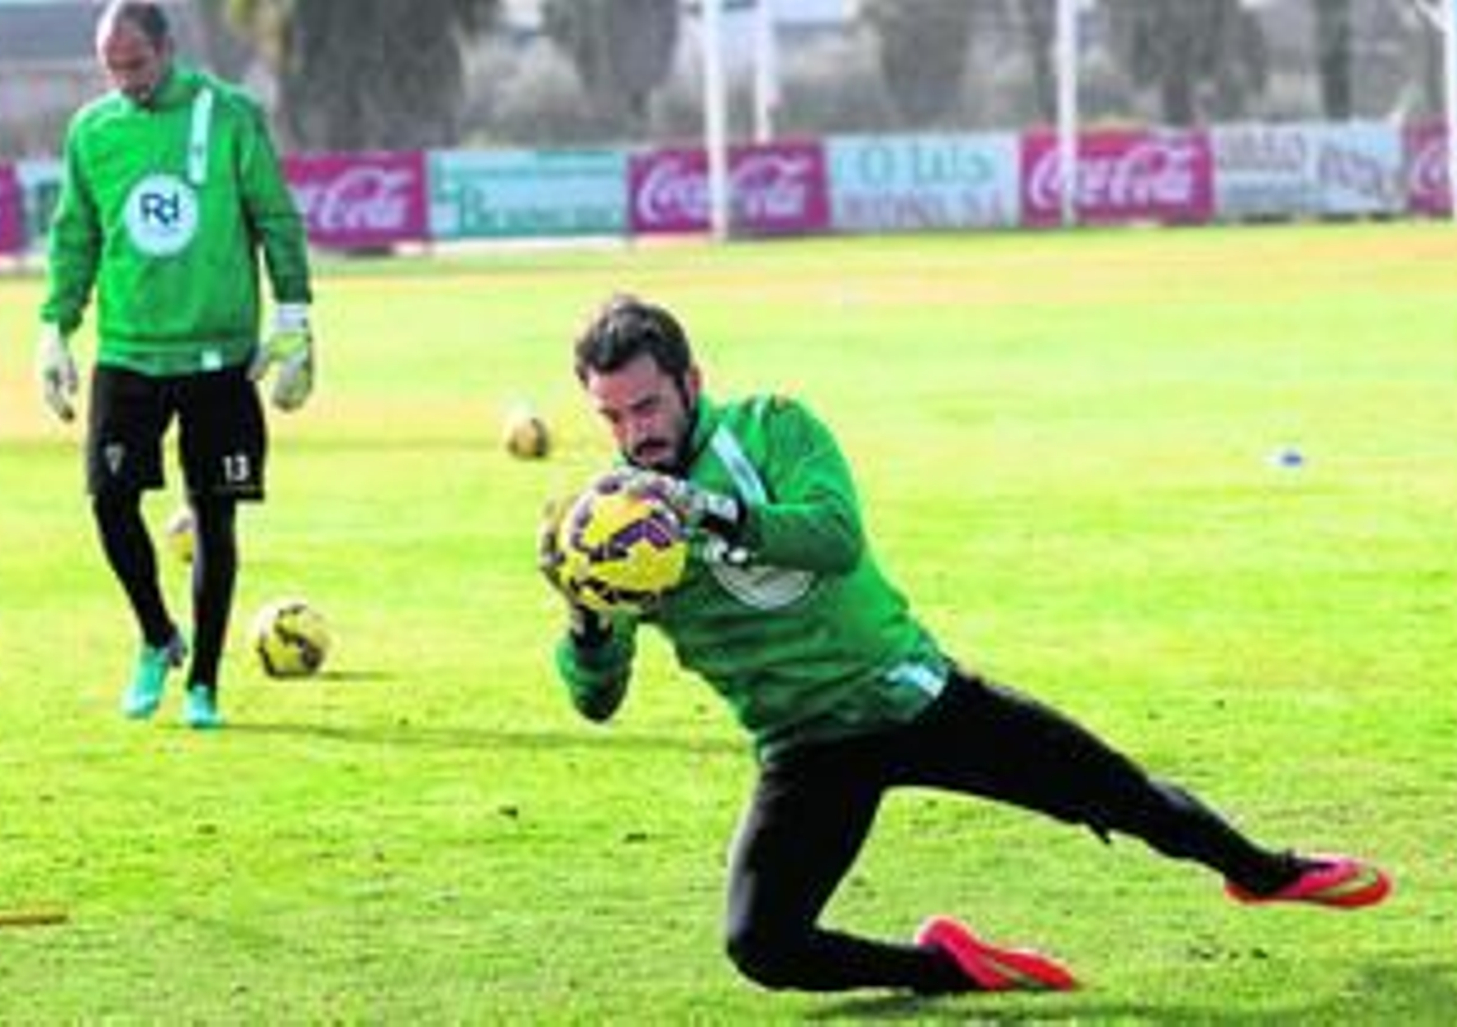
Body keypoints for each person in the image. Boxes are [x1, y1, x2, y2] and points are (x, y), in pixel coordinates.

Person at [541, 294, 1391, 996]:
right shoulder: (617, 530)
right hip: (804, 749)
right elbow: (598, 697)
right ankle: (949, 967)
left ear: (692, 381)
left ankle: (1266, 871)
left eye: (648, 404)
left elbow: (834, 538)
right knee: (762, 946)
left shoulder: (773, 428)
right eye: (612, 416)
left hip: (914, 699)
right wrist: (585, 618)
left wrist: (710, 510)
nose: (634, 433)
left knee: (1123, 797)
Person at [36, 1, 315, 730]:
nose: (124, 80)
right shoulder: (91, 132)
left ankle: (206, 684)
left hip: (222, 360)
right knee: (109, 501)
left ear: (167, 49)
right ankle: (159, 636)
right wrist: (54, 328)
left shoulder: (231, 116)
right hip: (128, 352)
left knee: (216, 520)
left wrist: (294, 316)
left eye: (135, 64)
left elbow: (276, 217)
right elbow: (75, 237)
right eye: (111, 68)